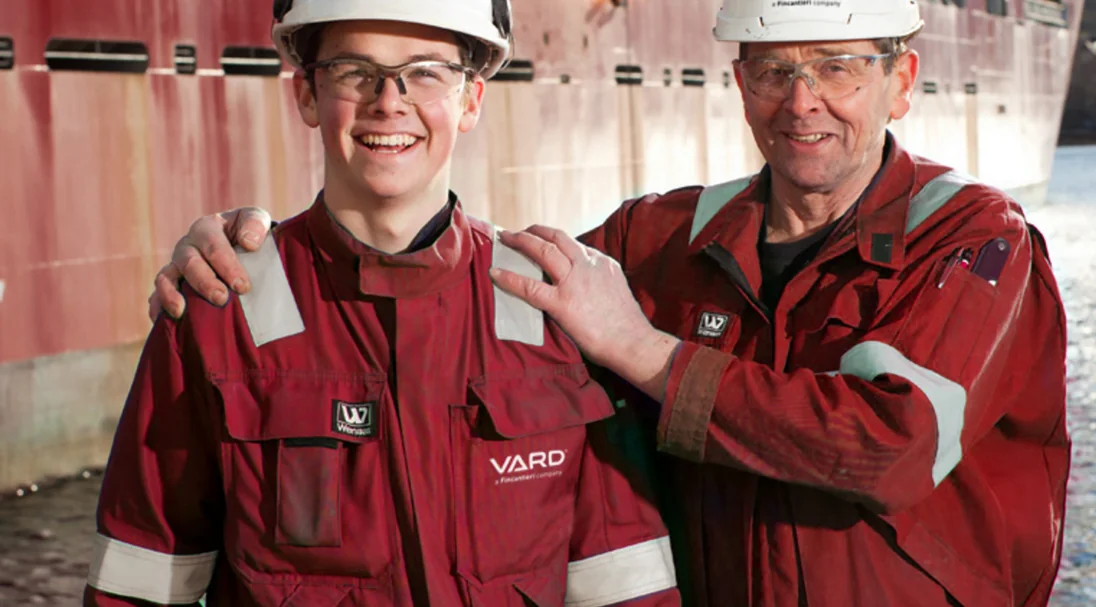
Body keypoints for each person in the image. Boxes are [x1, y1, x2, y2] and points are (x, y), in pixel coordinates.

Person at [149, 0, 1072, 604]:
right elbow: (463, 280)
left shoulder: (977, 243)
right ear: (738, 81)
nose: (802, 101)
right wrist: (250, 253)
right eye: (772, 70)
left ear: (900, 82)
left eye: (838, 67)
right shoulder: (659, 241)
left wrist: (650, 356)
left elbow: (893, 445)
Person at [87, 1, 680, 605]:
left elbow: (625, 585)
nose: (389, 101)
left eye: (426, 72)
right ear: (308, 96)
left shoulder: (558, 314)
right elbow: (137, 586)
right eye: (353, 71)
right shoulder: (219, 313)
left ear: (471, 100)